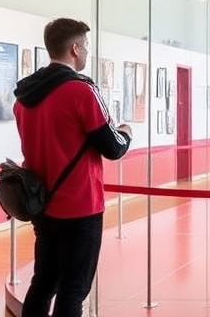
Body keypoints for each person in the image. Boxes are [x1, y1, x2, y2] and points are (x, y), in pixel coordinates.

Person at [14, 18, 131, 317]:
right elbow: (113, 147)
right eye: (87, 47)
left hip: (43, 203)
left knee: (43, 282)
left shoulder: (24, 97)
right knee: (74, 288)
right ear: (75, 48)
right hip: (80, 206)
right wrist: (127, 132)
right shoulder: (82, 92)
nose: (88, 53)